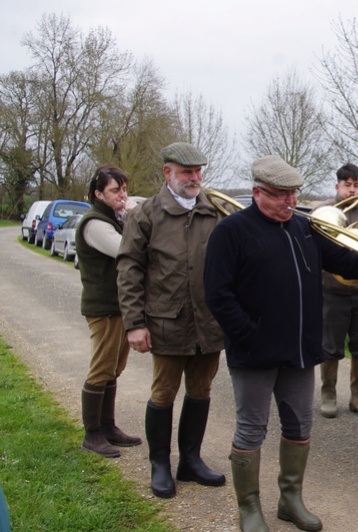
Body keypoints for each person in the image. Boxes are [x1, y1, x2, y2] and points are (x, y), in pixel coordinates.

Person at [204, 155, 358, 532]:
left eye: (294, 194)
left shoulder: (306, 228)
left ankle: (290, 501)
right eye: (280, 196)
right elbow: (217, 295)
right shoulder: (231, 231)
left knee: (299, 424)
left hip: (300, 352)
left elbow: (346, 264)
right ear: (258, 192)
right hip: (254, 353)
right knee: (251, 429)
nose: (290, 203)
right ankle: (249, 509)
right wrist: (249, 333)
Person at [117, 142, 225, 499]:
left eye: (197, 172)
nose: (193, 179)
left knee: (201, 390)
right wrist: (134, 323)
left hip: (208, 324)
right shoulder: (146, 214)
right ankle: (160, 464)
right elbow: (129, 268)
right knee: (164, 393)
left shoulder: (215, 211)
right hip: (166, 321)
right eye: (185, 173)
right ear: (168, 173)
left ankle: (190, 461)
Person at [76, 165, 142, 458]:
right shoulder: (95, 223)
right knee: (102, 367)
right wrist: (132, 214)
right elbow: (126, 250)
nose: (122, 195)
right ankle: (92, 434)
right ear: (98, 193)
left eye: (124, 189)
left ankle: (108, 426)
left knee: (115, 367)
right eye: (115, 190)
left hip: (119, 306)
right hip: (103, 307)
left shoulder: (112, 218)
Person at [318, 163, 358, 419]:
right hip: (332, 289)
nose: (351, 190)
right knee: (330, 346)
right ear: (337, 186)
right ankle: (328, 394)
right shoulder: (324, 212)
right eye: (347, 185)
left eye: (356, 185)